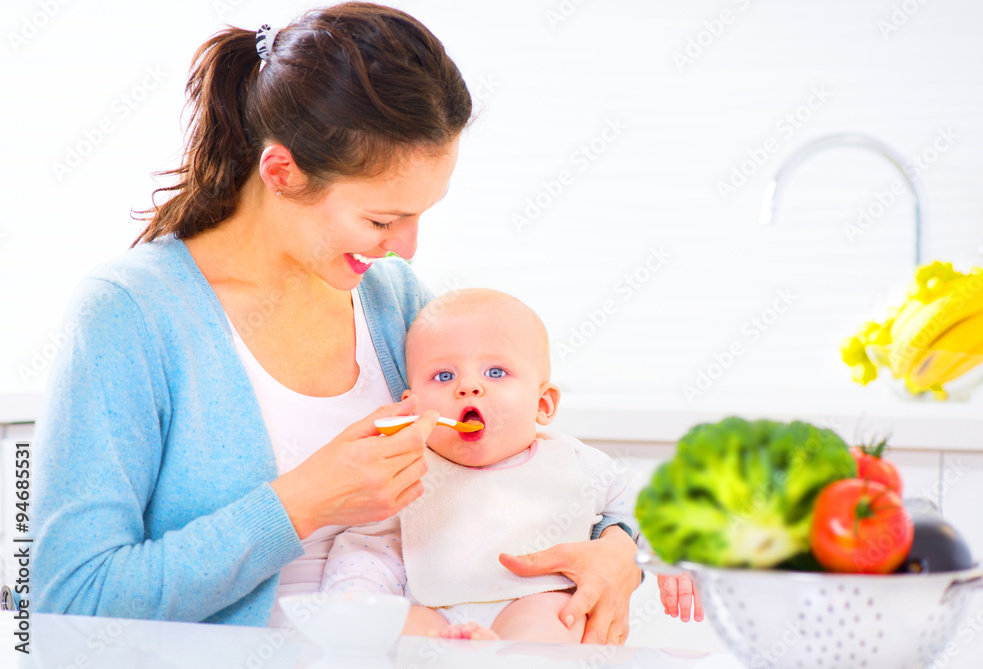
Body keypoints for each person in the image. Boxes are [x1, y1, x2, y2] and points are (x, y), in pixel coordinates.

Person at [33, 3, 642, 643]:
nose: (406, 249)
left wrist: (615, 546)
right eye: (381, 221)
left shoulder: (392, 300)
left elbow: (520, 464)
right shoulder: (131, 312)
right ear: (282, 171)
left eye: (418, 216)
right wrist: (304, 502)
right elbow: (68, 597)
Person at [321, 288, 641, 642]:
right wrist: (356, 600)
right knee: (401, 631)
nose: (468, 386)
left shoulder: (575, 463)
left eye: (496, 371)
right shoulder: (406, 471)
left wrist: (670, 562)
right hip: (434, 614)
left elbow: (644, 511)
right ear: (411, 407)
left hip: (534, 602)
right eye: (444, 376)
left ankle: (509, 657)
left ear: (543, 404)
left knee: (550, 621)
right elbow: (368, 549)